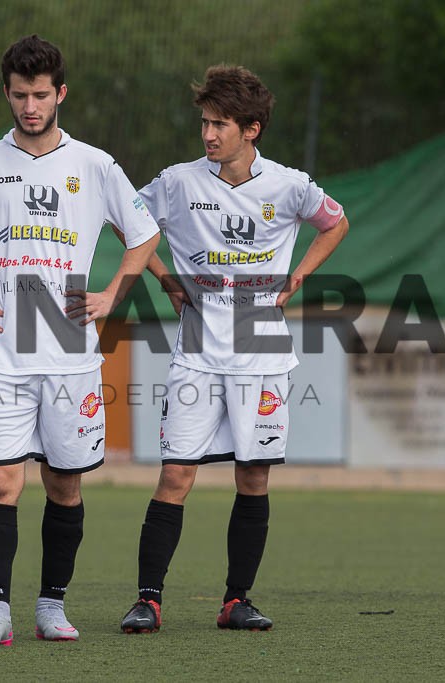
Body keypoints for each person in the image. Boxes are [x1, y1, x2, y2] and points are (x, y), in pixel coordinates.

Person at [0, 34, 160, 647]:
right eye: (20, 95)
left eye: (41, 95)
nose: (31, 106)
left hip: (72, 355)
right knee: (1, 483)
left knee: (64, 485)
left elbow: (144, 233)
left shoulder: (95, 164)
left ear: (61, 94)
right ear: (7, 93)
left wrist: (112, 294)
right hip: (2, 352)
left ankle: (51, 604)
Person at [118, 65, 349, 633]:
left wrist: (298, 276)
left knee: (254, 477)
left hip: (262, 347)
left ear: (253, 129)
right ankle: (148, 601)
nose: (208, 134)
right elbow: (129, 225)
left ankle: (236, 601)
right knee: (175, 475)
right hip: (198, 345)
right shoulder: (176, 182)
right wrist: (166, 279)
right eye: (204, 123)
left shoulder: (289, 185)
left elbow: (336, 222)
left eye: (220, 124)